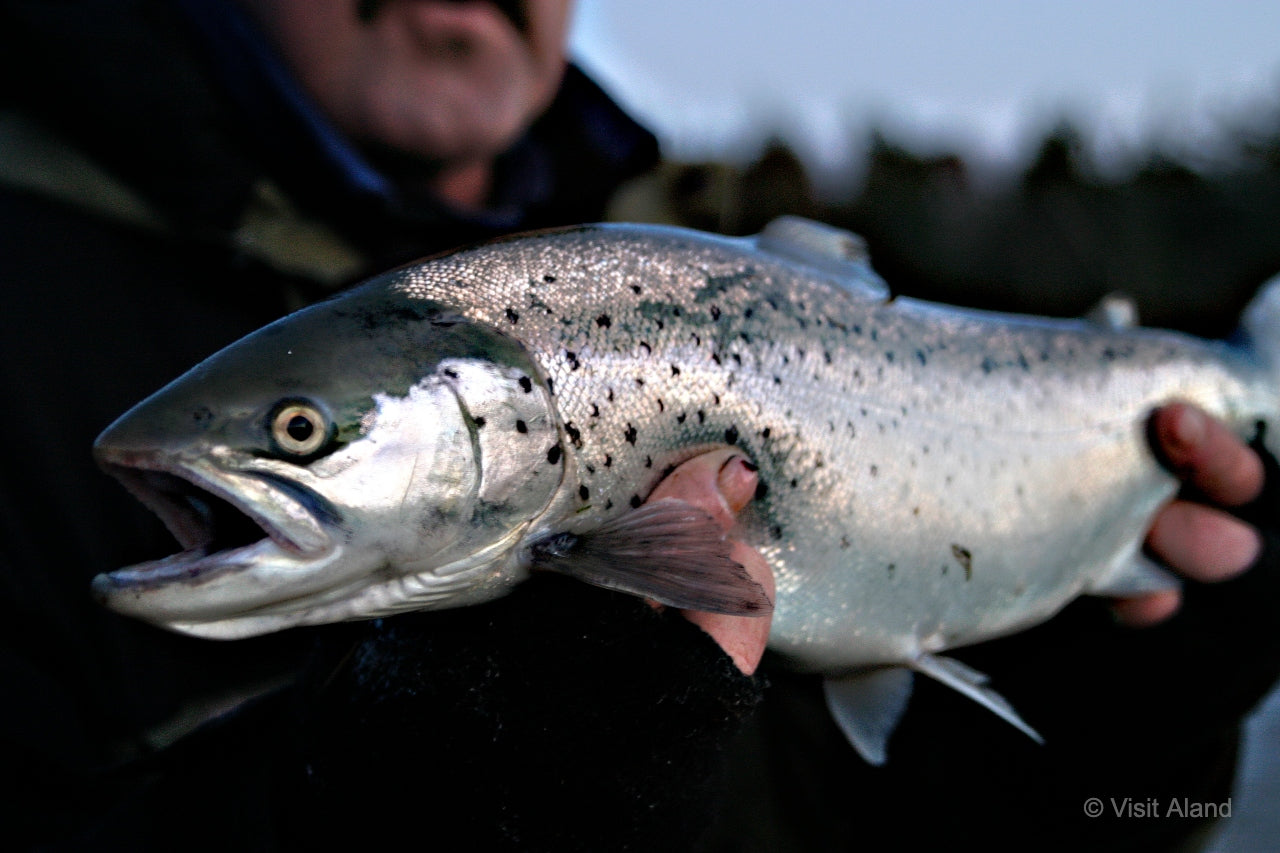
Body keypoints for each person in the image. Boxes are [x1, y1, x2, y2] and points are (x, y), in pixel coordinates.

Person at [0, 1, 1274, 850]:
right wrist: (370, 816)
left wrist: (1122, 743)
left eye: (291, 428)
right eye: (299, 428)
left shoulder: (674, 252)